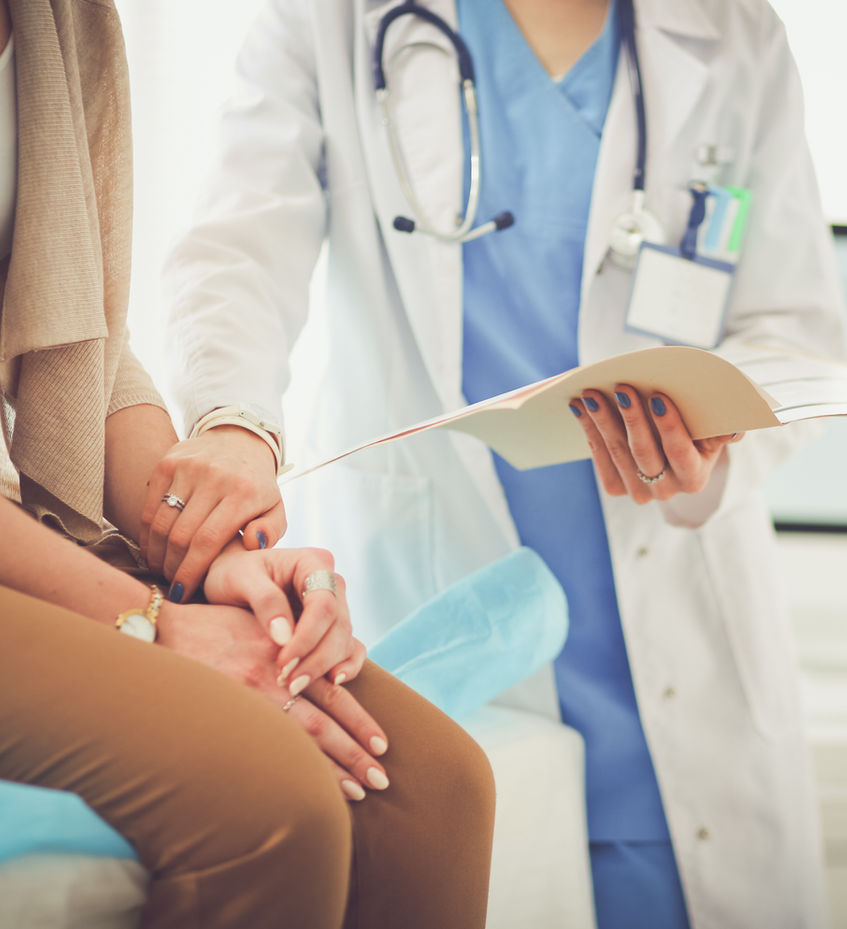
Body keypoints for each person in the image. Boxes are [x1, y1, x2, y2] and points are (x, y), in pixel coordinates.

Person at [159, 0, 847, 926]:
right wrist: (234, 421)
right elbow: (240, 244)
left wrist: (718, 434)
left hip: (675, 657)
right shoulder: (333, 18)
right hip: (440, 604)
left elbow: (795, 327)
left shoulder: (732, 33)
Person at [0, 2, 495, 928]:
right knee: (272, 801)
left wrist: (201, 549)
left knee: (436, 790)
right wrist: (153, 622)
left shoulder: (61, 23)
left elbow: (80, 355)